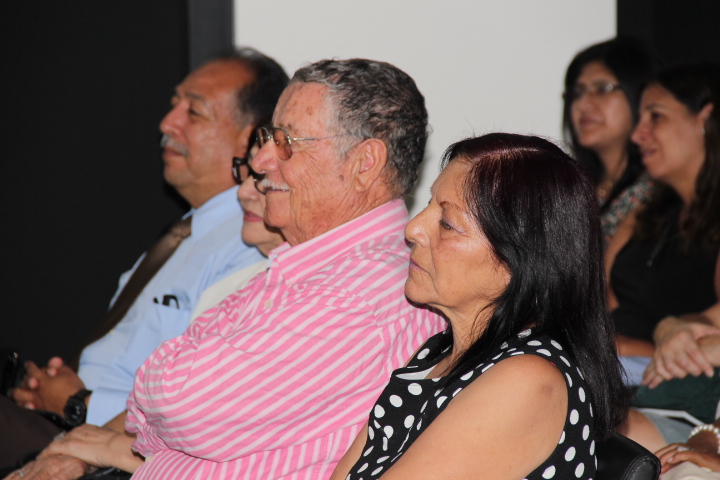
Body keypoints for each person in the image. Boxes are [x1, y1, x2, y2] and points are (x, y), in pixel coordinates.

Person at [11, 58, 445, 480]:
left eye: (286, 142)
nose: (260, 162)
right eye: (269, 138)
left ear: (364, 163)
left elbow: (180, 404)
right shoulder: (312, 266)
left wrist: (156, 407)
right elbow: (164, 402)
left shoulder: (358, 293)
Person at [0, 47, 288, 465]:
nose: (167, 123)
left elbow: (200, 402)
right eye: (175, 104)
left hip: (112, 446)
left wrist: (77, 405)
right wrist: (51, 394)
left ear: (251, 138)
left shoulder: (256, 242)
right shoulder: (186, 232)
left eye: (194, 112)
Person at [330, 133, 628, 480]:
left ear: (516, 262)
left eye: (447, 224)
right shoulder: (439, 352)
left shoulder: (527, 381)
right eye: (429, 205)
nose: (413, 229)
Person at [606, 64, 720, 370]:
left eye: (655, 116)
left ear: (705, 119)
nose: (636, 135)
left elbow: (710, 326)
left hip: (671, 374)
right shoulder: (645, 212)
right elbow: (599, 298)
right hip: (611, 362)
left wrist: (650, 344)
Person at [563, 37, 659, 246]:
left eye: (602, 89)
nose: (583, 104)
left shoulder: (657, 192)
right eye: (577, 93)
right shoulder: (574, 190)